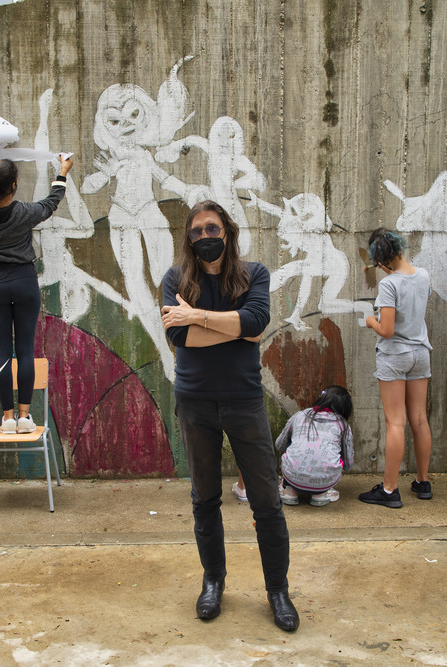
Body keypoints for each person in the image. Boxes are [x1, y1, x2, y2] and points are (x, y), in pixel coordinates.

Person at [161, 200, 298, 632]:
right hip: (195, 402)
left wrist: (199, 316)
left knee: (267, 502)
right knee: (205, 500)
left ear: (228, 231)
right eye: (197, 231)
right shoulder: (175, 279)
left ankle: (278, 590)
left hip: (243, 401)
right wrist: (233, 327)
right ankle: (213, 582)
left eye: (212, 228)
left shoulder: (253, 274)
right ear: (188, 237)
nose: (205, 237)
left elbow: (257, 322)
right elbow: (179, 336)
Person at [0, 133, 72, 434]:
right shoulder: (24, 213)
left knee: (2, 350)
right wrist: (62, 171)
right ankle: (26, 417)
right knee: (25, 349)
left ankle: (7, 418)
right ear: (14, 186)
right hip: (24, 281)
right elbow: (52, 203)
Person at [360, 228, 433, 508]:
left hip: (395, 356)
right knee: (419, 419)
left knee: (395, 422)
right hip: (420, 353)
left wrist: (370, 322)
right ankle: (423, 482)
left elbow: (387, 330)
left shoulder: (389, 285)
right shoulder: (423, 275)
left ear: (381, 260)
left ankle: (390, 490)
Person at [276, 385, 355, 507]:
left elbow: (279, 445)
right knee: (334, 453)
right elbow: (348, 462)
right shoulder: (343, 425)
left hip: (292, 476)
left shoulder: (300, 415)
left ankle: (289, 491)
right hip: (325, 481)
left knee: (291, 444)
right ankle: (320, 494)